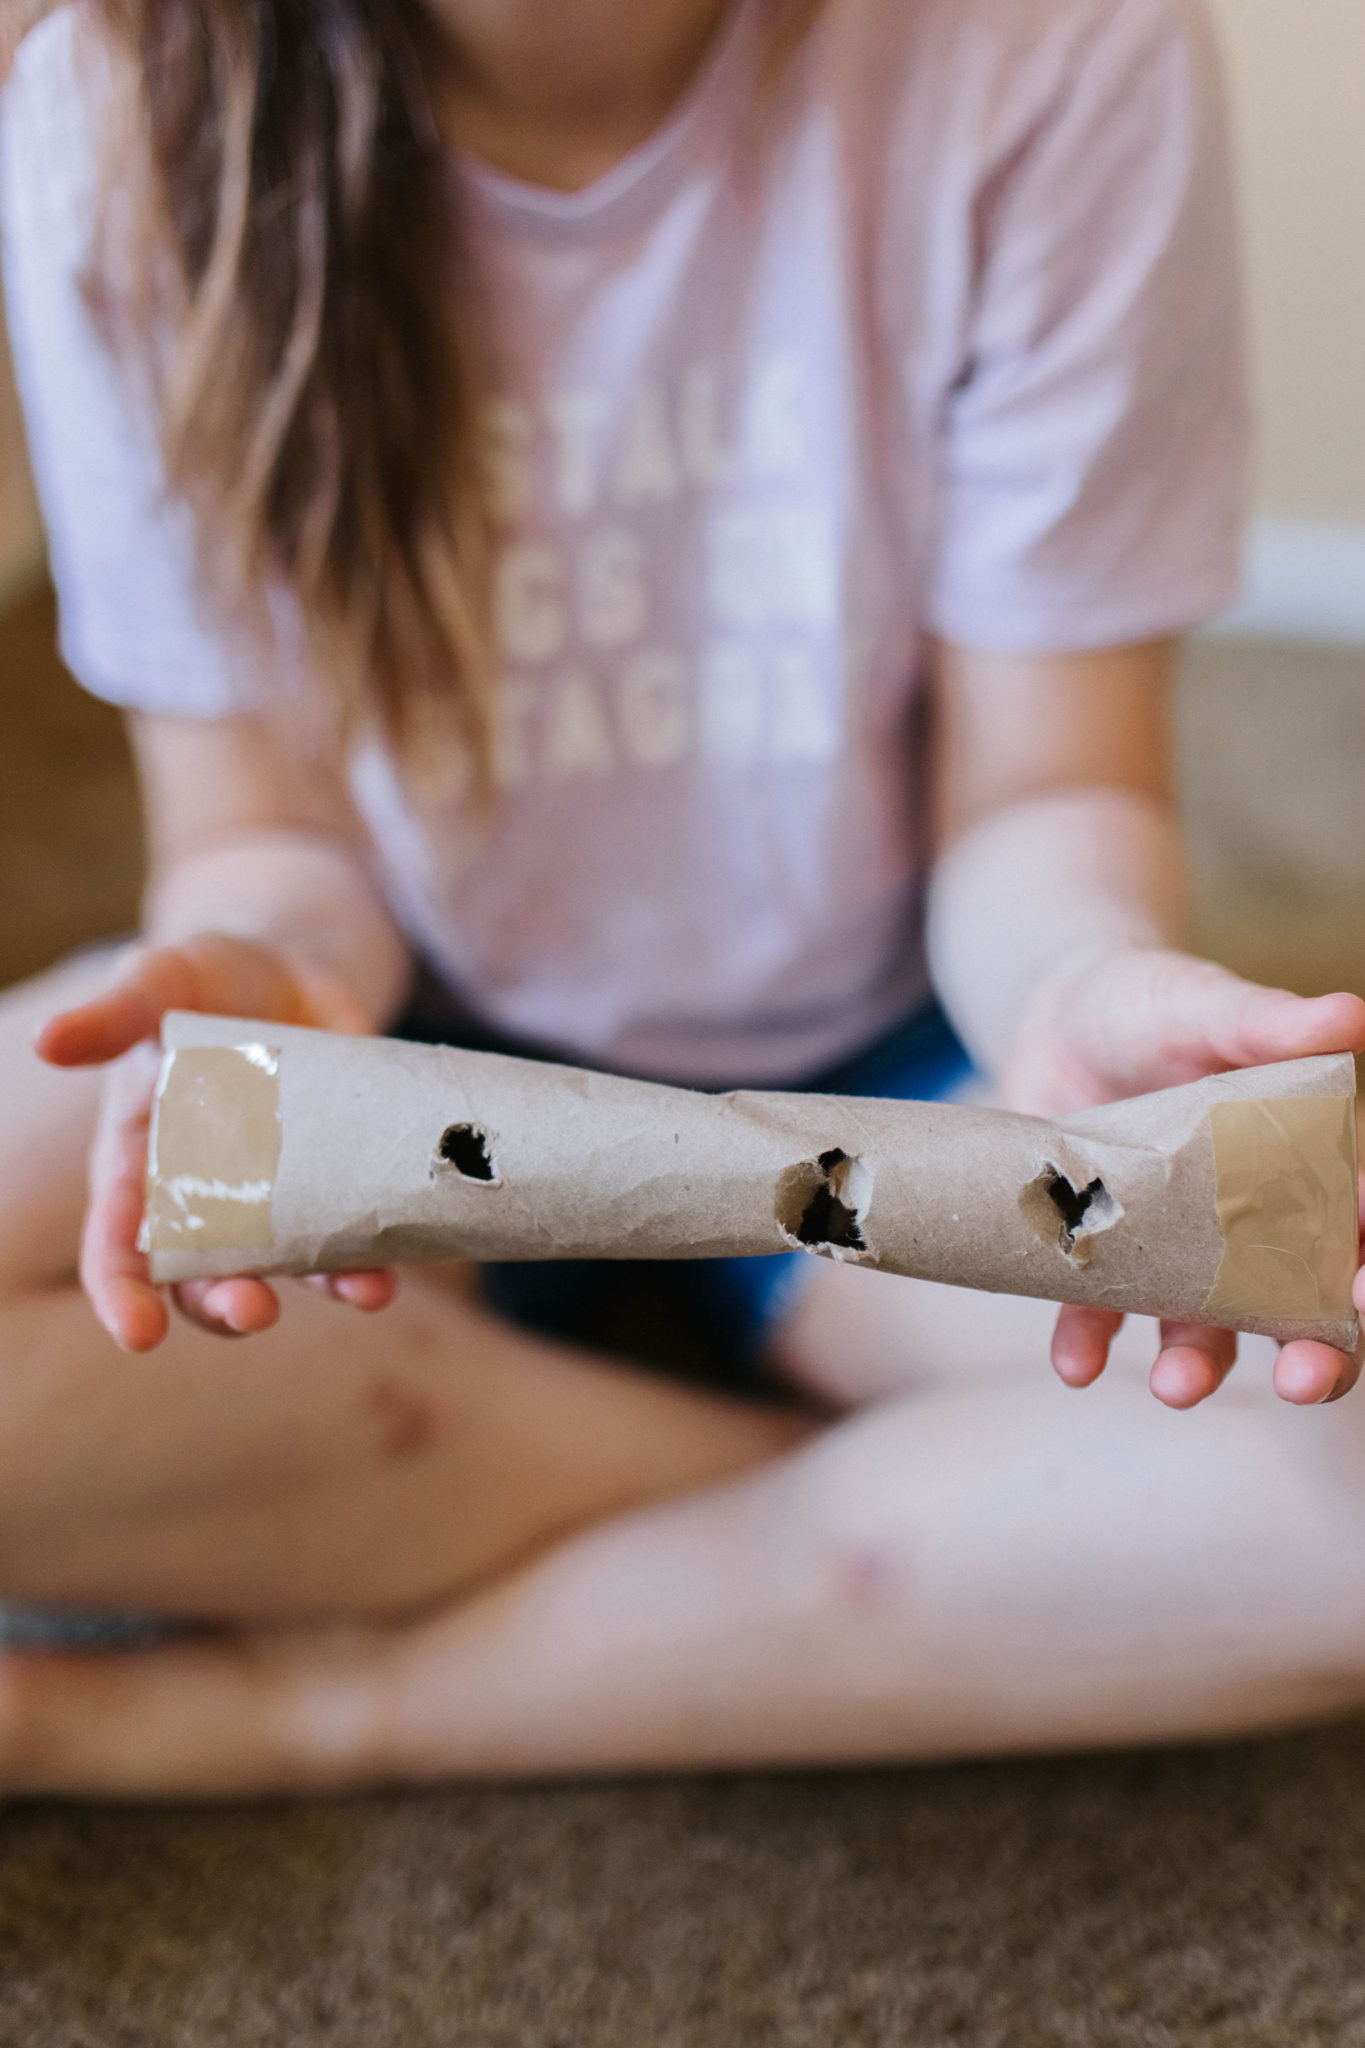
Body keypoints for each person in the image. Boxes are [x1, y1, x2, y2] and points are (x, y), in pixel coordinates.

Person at [0, 0, 1362, 1801]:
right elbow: (266, 841)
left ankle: (307, 1706)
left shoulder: (1059, 45)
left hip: (910, 1074)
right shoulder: (123, 97)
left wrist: (1082, 972)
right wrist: (260, 965)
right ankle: (877, 1492)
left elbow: (1044, 787)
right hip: (386, 1046)